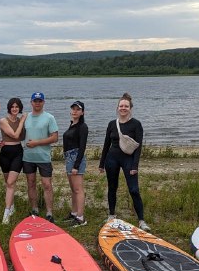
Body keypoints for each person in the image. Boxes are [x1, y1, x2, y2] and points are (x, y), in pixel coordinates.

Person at [99, 93, 149, 231]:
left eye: (126, 106)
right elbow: (106, 144)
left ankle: (141, 221)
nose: (123, 108)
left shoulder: (136, 124)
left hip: (129, 159)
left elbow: (138, 148)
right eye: (121, 106)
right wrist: (101, 163)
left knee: (134, 190)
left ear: (130, 108)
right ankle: (111, 215)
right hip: (112, 159)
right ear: (117, 108)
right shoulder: (111, 124)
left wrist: (135, 166)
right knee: (112, 187)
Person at [23, 92, 59, 222]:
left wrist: (36, 143)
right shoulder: (25, 117)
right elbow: (18, 134)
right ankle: (34, 210)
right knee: (31, 183)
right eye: (35, 101)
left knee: (47, 184)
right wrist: (5, 141)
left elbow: (55, 137)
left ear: (43, 102)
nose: (37, 103)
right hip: (28, 157)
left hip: (43, 157)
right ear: (31, 102)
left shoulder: (49, 118)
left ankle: (49, 213)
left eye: (40, 101)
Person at [0, 97, 27, 224]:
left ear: (20, 108)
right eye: (12, 107)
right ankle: (12, 205)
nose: (15, 109)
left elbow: (22, 137)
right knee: (8, 183)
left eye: (17, 107)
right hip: (5, 154)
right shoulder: (3, 120)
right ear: (9, 108)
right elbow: (15, 135)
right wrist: (22, 122)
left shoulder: (22, 121)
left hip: (18, 153)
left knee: (10, 182)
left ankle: (6, 213)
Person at [62, 101, 89, 228]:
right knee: (73, 189)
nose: (75, 111)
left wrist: (76, 165)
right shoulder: (72, 125)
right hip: (68, 158)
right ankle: (74, 213)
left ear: (82, 112)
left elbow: (82, 147)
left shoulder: (83, 127)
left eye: (78, 109)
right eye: (73, 109)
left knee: (78, 189)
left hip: (76, 158)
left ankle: (80, 217)